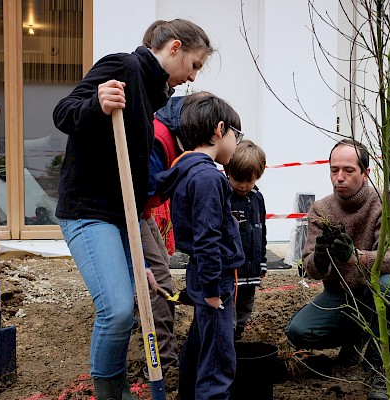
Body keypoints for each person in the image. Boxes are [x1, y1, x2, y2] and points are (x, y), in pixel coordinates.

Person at [52, 19, 213, 400]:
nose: (192, 78)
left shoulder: (151, 95)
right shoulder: (124, 67)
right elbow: (64, 112)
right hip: (88, 211)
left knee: (137, 296)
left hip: (120, 217)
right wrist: (96, 103)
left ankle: (119, 385)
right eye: (194, 65)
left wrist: (137, 256)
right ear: (175, 48)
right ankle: (109, 392)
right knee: (118, 310)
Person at [285, 138, 390, 400]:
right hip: (341, 295)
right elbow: (312, 270)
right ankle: (356, 337)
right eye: (334, 170)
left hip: (377, 290)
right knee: (298, 331)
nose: (340, 177)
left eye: (348, 171)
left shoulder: (386, 205)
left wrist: (355, 258)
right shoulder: (321, 209)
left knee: (386, 285)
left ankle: (383, 369)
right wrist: (321, 257)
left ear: (365, 173)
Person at [155, 93, 246, 400]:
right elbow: (208, 238)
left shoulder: (188, 170)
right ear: (220, 130)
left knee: (199, 345)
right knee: (218, 359)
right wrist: (211, 291)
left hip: (203, 273)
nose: (237, 143)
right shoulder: (209, 178)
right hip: (214, 279)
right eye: (237, 135)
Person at [139, 92, 210, 374]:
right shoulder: (159, 138)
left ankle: (158, 345)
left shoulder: (172, 134)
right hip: (130, 213)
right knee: (158, 283)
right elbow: (140, 191)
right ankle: (162, 363)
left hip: (142, 212)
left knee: (161, 275)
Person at [225, 139, 267, 341]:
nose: (242, 186)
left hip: (252, 267)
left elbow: (262, 231)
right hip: (232, 269)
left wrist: (262, 262)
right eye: (237, 179)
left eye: (248, 181)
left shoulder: (258, 198)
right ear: (228, 172)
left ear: (258, 176)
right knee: (230, 304)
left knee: (246, 302)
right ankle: (229, 335)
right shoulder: (224, 197)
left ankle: (239, 333)